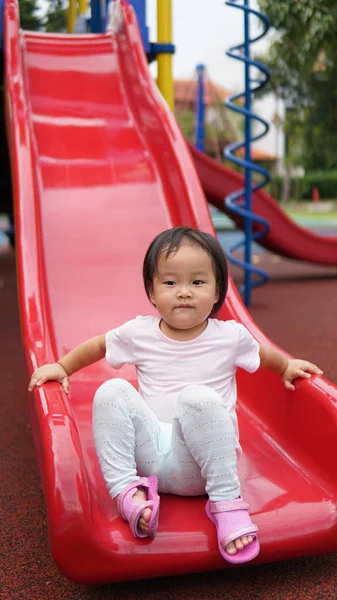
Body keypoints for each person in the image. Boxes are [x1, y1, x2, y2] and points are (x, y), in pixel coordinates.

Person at [28, 226, 323, 564]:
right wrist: (63, 368)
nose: (183, 292)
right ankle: (129, 492)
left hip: (201, 467)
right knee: (111, 390)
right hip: (150, 457)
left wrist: (285, 367)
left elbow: (262, 354)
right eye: (170, 283)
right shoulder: (138, 332)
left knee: (198, 397)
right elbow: (98, 345)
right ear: (151, 292)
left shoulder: (230, 337)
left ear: (217, 292)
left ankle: (226, 502)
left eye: (197, 282)